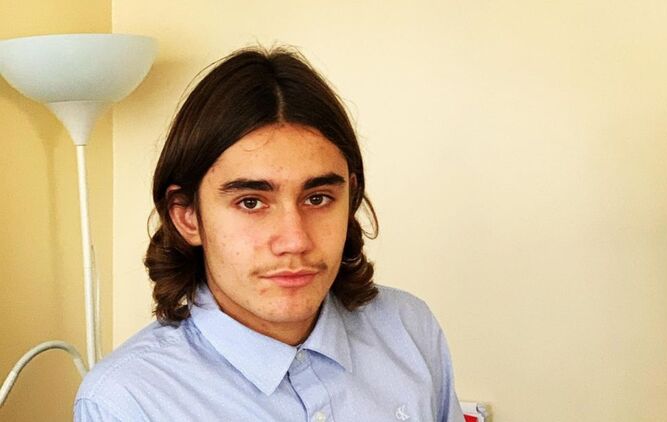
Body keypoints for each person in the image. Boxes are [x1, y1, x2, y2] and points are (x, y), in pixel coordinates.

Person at [74, 46, 464, 422]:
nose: (295, 240)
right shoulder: (125, 403)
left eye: (318, 198)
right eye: (251, 202)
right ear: (188, 217)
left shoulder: (408, 329)